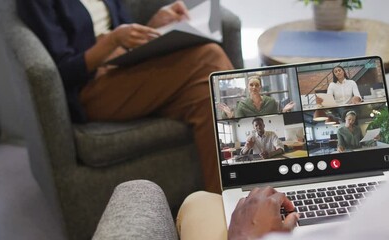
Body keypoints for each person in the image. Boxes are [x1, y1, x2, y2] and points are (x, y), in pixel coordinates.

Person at [175, 3, 389, 239]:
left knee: (198, 201)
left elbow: (281, 148)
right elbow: (249, 152)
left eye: (259, 125)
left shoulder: (273, 108)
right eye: (255, 125)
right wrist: (245, 139)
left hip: (279, 198)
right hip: (267, 179)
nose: (258, 126)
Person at [17, 0, 234, 193]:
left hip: (127, 66)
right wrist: (112, 41)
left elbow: (125, 35)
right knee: (210, 57)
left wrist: (153, 26)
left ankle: (230, 209)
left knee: (207, 96)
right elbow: (61, 72)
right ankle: (250, 188)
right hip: (92, 87)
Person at [218, 75, 295, 118]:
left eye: (257, 85)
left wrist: (284, 111)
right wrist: (230, 115)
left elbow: (278, 116)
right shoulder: (241, 105)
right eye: (251, 85)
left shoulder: (271, 102)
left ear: (260, 88)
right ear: (247, 87)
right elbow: (237, 120)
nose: (254, 87)